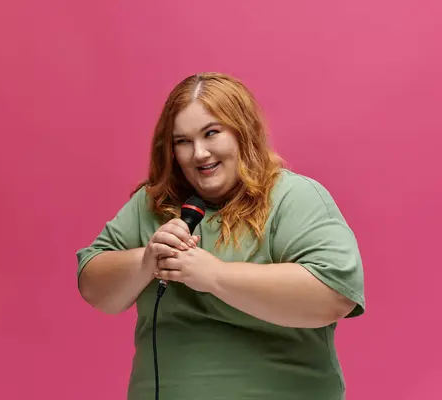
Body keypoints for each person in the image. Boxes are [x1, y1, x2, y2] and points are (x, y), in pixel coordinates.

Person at [75, 72, 365, 400]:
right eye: (182, 141)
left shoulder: (294, 197)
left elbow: (333, 294)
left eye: (211, 133)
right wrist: (145, 260)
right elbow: (94, 284)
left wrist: (214, 276)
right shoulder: (154, 204)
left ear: (243, 132)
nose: (199, 153)